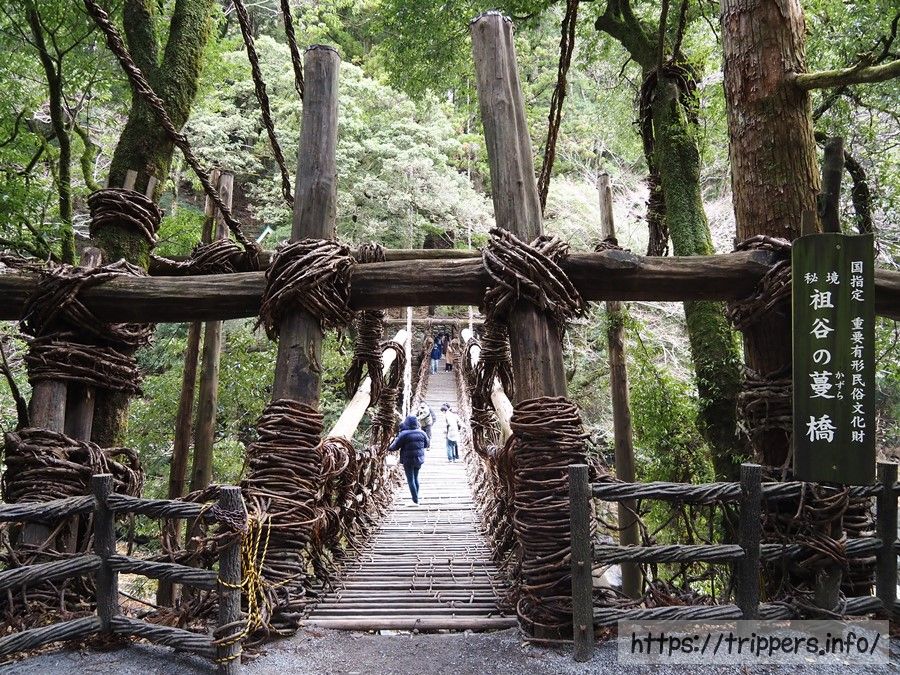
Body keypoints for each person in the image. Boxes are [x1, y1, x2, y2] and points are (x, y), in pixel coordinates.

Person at [389, 415, 429, 505]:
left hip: (408, 460)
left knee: (410, 480)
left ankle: (415, 501)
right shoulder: (422, 433)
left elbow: (394, 446)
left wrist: (389, 447)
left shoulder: (404, 434)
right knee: (415, 478)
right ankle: (416, 498)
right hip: (419, 459)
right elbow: (427, 444)